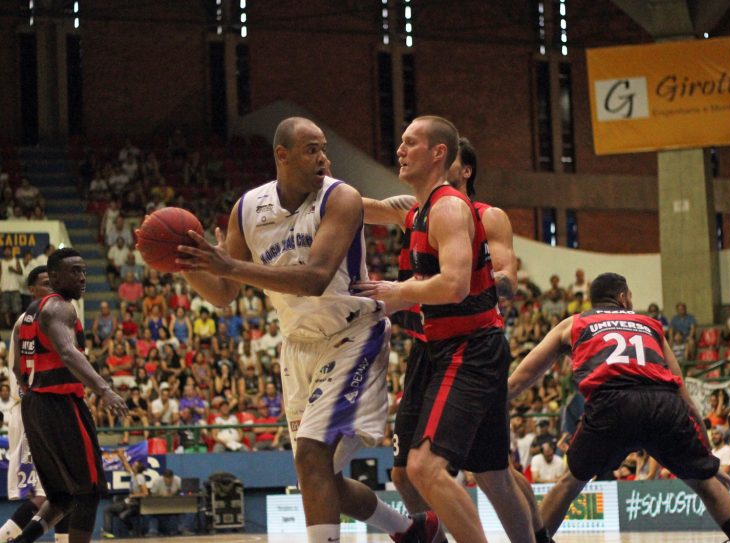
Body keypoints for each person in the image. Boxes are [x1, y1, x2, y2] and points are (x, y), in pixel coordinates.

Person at [176, 117, 437, 542]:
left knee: (312, 455)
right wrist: (187, 263)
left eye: (323, 149)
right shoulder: (248, 208)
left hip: (353, 335)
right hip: (297, 346)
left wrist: (231, 265)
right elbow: (223, 293)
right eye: (311, 150)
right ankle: (410, 530)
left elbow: (315, 279)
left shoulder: (340, 198)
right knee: (317, 476)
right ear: (282, 155)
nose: (323, 158)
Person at [363, 135, 549, 542]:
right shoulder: (416, 208)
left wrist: (467, 272)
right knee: (408, 472)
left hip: (470, 343)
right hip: (428, 346)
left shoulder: (484, 215)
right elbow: (360, 207)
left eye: (447, 158)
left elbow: (505, 280)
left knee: (488, 472)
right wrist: (310, 191)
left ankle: (537, 537)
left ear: (463, 169)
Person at [507, 272, 730, 543]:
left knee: (570, 483)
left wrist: (493, 402)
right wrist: (706, 459)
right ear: (623, 297)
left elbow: (523, 376)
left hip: (612, 406)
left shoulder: (573, 323)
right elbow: (683, 393)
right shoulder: (650, 325)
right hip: (663, 406)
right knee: (706, 482)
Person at [12, 248, 128, 543]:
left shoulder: (28, 315)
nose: (82, 277)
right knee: (89, 491)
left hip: (34, 405)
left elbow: (17, 368)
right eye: (74, 271)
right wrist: (104, 390)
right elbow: (67, 352)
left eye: (84, 271)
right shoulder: (60, 308)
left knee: (61, 497)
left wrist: (33, 397)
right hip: (60, 403)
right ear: (54, 277)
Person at [0, 266, 70, 543]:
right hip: (34, 411)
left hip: (47, 411)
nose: (52, 287)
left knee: (67, 491)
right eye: (45, 283)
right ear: (32, 290)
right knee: (47, 495)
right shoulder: (30, 321)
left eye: (54, 282)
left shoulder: (51, 319)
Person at [101, 451, 147, 538]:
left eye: (135, 465)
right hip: (128, 502)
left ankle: (109, 531)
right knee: (109, 510)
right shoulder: (134, 475)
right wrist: (122, 456)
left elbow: (145, 493)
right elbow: (127, 466)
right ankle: (108, 531)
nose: (132, 465)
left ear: (138, 468)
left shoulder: (140, 477)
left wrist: (133, 496)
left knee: (108, 510)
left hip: (134, 504)